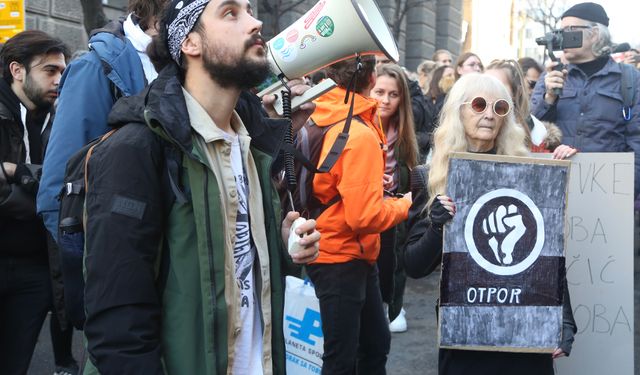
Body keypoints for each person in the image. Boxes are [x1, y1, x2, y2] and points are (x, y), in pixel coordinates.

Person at [81, 0, 321, 373]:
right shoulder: (136, 149)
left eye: (250, 10)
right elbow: (118, 320)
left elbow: (226, 262)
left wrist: (280, 240)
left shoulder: (251, 145)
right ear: (189, 43)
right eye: (231, 12)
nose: (255, 22)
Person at [403, 74, 577, 375]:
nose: (489, 115)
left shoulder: (528, 172)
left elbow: (545, 255)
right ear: (459, 111)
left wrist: (563, 319)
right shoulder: (430, 176)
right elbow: (413, 265)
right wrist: (437, 226)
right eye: (480, 105)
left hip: (525, 327)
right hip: (465, 331)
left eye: (500, 108)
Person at [305, 54, 412, 374]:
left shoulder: (323, 111)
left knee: (374, 342)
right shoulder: (359, 132)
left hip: (345, 252)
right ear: (370, 78)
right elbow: (364, 218)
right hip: (341, 255)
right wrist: (404, 204)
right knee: (343, 359)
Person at [38, 0, 167, 242]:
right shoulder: (94, 67)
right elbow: (59, 186)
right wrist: (85, 262)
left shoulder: (190, 64)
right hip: (114, 249)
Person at [0, 30, 69, 375]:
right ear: (17, 70)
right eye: (50, 71)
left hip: (36, 270)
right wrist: (40, 195)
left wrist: (15, 170)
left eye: (62, 71)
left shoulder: (59, 122)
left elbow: (66, 186)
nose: (59, 79)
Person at [531, 2, 640, 198]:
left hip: (608, 191)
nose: (561, 37)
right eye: (560, 30)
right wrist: (549, 98)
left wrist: (627, 192)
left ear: (595, 34)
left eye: (570, 30)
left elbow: (636, 139)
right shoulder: (550, 76)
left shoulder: (629, 79)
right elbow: (531, 133)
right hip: (554, 188)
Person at [369, 63, 419, 333]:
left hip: (395, 210)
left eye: (393, 94)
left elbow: (408, 170)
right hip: (365, 209)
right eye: (379, 92)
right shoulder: (357, 125)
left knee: (392, 262)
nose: (385, 100)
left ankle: (391, 306)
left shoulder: (403, 132)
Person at [485, 59, 568, 155]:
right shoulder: (468, 124)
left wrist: (562, 153)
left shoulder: (536, 133)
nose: (489, 91)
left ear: (516, 92)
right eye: (484, 85)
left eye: (498, 86)